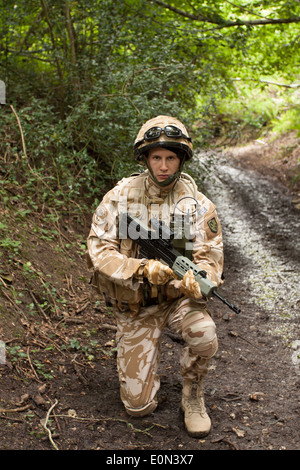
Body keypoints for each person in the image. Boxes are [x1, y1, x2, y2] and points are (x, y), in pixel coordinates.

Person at [87, 115, 224, 437]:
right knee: (138, 408)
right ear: (146, 159)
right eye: (157, 157)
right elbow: (99, 252)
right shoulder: (119, 198)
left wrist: (200, 277)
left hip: (177, 300)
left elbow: (211, 255)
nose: (164, 166)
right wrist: (142, 268)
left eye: (171, 158)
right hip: (137, 306)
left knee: (204, 333)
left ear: (181, 160)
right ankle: (142, 364)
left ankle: (192, 391)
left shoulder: (198, 205)